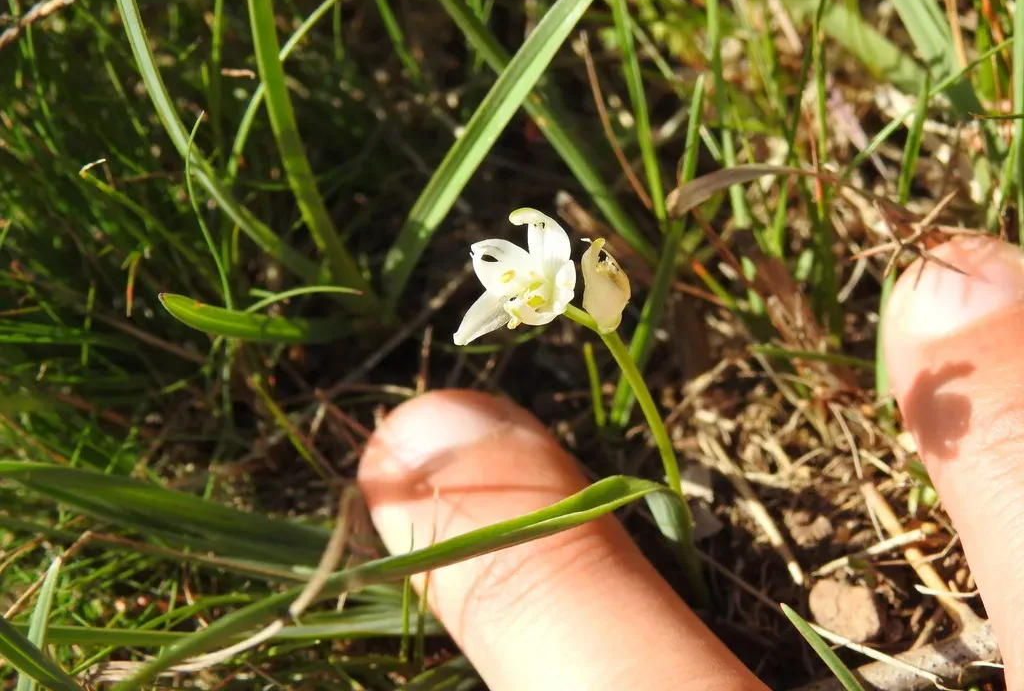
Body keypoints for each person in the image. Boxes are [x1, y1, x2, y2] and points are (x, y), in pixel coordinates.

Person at [358, 236, 1024, 690]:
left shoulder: (571, 290)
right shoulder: (545, 291)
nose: (526, 291)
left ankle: (694, 574)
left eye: (538, 282)